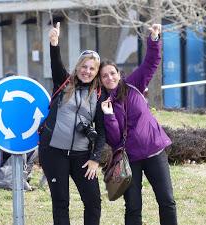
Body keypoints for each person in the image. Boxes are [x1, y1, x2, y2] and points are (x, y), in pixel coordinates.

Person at [100, 24, 178, 225]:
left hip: (154, 151)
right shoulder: (103, 104)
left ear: (119, 73)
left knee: (167, 201)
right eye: (104, 75)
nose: (109, 77)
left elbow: (151, 63)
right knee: (133, 206)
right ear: (100, 80)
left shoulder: (134, 83)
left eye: (112, 73)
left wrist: (154, 39)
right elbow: (115, 139)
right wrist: (108, 116)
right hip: (129, 159)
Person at [38, 22, 105, 225]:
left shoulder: (100, 95)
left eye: (92, 68)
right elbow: (55, 63)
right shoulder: (64, 83)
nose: (87, 71)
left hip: (82, 156)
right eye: (83, 66)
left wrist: (95, 159)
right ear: (77, 67)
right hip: (53, 152)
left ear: (97, 71)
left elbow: (102, 131)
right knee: (60, 203)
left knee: (93, 202)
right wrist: (54, 42)